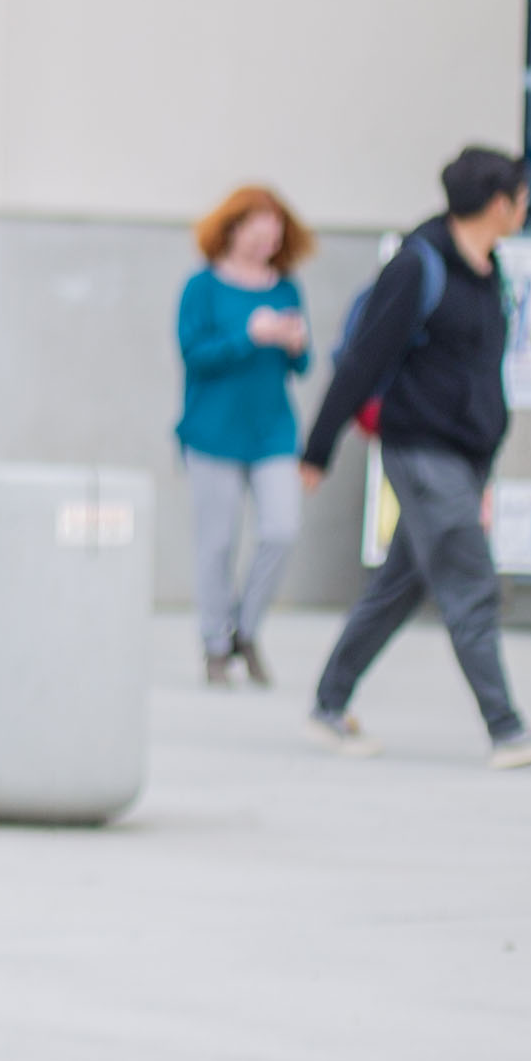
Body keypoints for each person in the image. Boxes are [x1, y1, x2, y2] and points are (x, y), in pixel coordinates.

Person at [300, 148, 531, 767]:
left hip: (464, 460)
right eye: (521, 196)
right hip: (420, 452)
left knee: (400, 584)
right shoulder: (418, 266)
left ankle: (328, 704)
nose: (526, 206)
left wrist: (484, 474)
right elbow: (362, 360)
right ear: (498, 203)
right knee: (471, 584)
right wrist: (318, 449)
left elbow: (481, 377)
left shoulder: (487, 270)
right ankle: (506, 730)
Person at [172, 184, 316, 691]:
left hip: (272, 432)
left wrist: (294, 341)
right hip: (212, 433)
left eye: (274, 233)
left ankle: (246, 629)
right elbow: (193, 355)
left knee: (281, 529)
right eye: (257, 231)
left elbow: (302, 364)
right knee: (216, 544)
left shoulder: (286, 288)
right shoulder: (202, 287)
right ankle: (215, 644)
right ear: (232, 230)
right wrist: (248, 337)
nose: (266, 242)